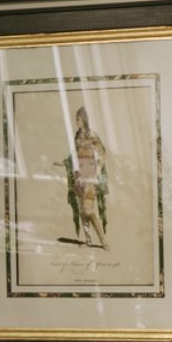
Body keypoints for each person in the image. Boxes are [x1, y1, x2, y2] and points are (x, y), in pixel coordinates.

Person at [65, 105, 108, 246]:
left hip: (90, 176)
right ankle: (88, 240)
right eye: (76, 120)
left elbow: (102, 153)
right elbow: (75, 154)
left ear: (83, 120)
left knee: (89, 210)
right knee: (82, 211)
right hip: (79, 176)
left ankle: (103, 241)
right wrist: (68, 162)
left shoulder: (92, 135)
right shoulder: (77, 136)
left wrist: (97, 170)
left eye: (77, 119)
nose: (76, 122)